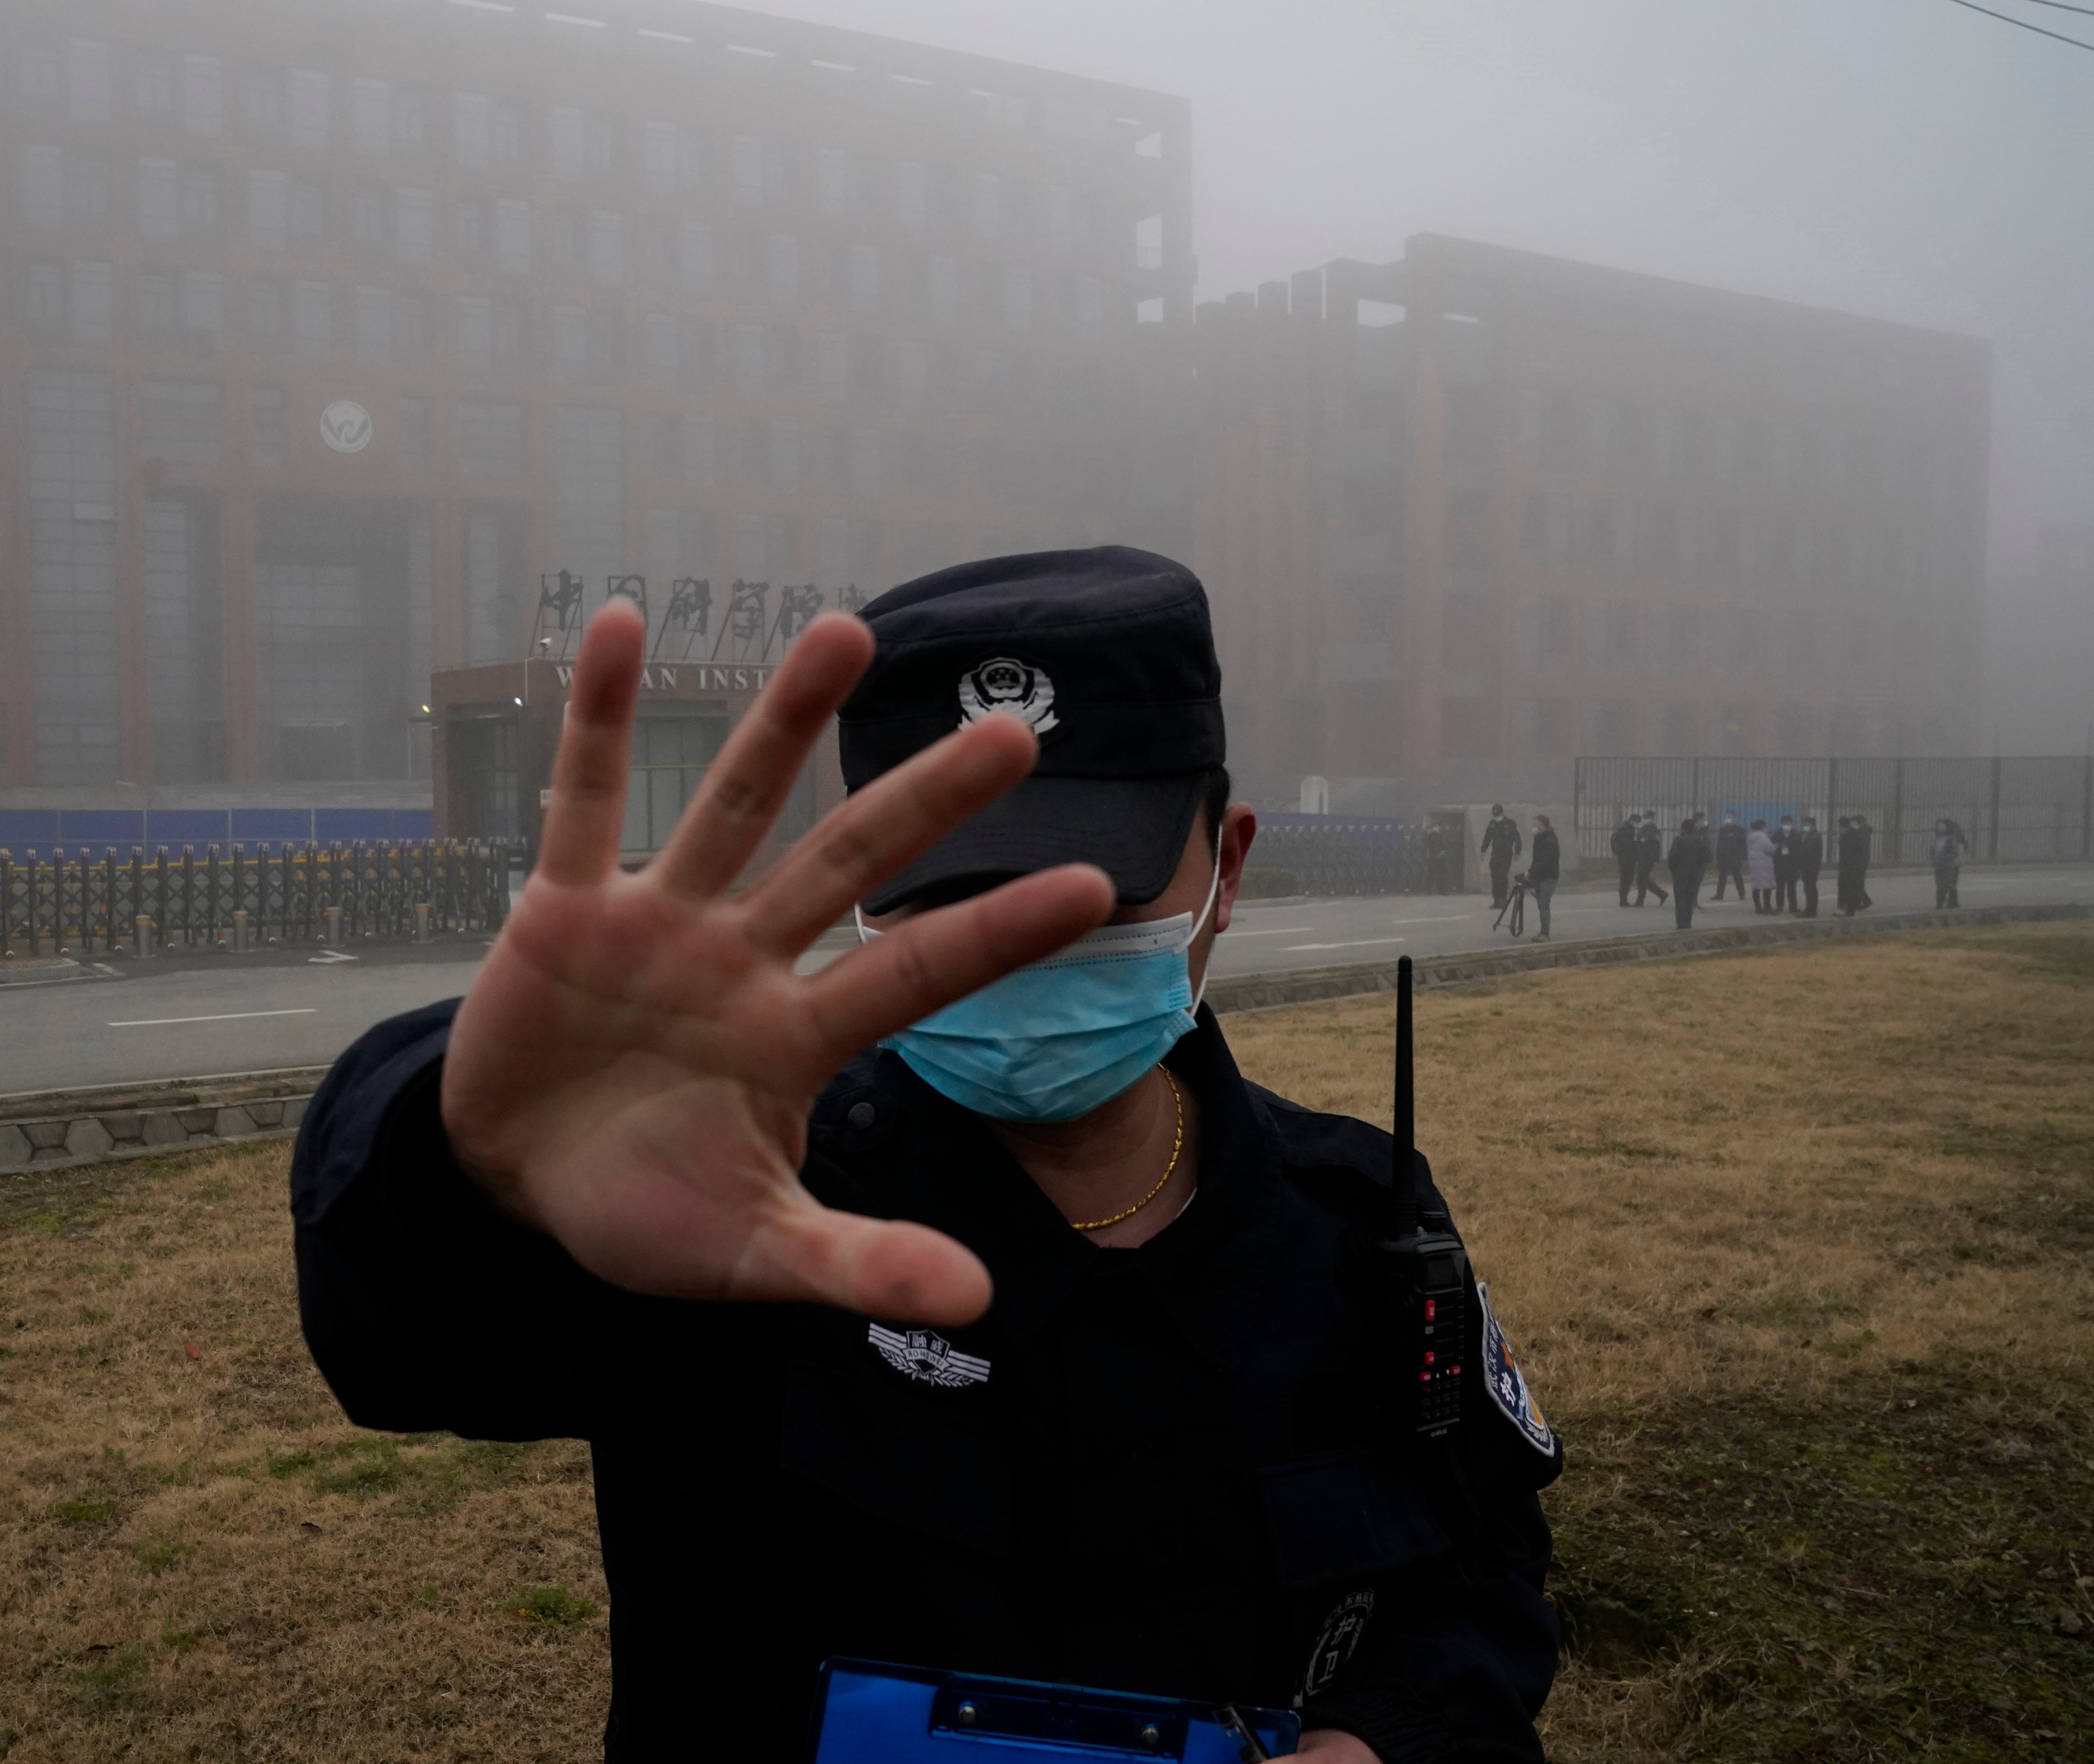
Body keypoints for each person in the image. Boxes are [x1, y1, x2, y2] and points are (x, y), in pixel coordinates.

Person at [287, 549, 1563, 1764]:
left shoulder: (1355, 1226)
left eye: (1086, 883)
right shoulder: (736, 1207)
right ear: (865, 894)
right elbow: (398, 1346)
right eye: (948, 887)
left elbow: (1480, 1577)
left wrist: (1384, 1736)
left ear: (1225, 865)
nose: (1010, 946)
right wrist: (477, 1168)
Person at [1666, 815, 1710, 930]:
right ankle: (1688, 923)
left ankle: (1681, 924)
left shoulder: (1678, 840)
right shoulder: (1699, 840)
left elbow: (1673, 858)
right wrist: (1700, 870)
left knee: (1680, 899)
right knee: (1690, 899)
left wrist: (1673, 870)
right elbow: (1706, 857)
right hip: (1695, 874)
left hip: (1680, 874)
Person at [1482, 804, 1523, 909]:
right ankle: (1496, 901)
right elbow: (1487, 839)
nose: (1496, 816)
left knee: (1502, 876)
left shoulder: (1510, 824)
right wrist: (1483, 851)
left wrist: (1517, 853)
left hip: (1506, 854)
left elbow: (1517, 839)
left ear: (1502, 813)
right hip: (1495, 854)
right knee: (1495, 877)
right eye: (1495, 814)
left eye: (1498, 814)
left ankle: (1504, 900)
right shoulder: (1492, 824)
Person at [1528, 811, 1561, 940]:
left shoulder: (1549, 841)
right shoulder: (1540, 838)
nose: (1534, 827)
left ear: (1542, 825)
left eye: (1536, 825)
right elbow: (1537, 860)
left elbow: (1546, 862)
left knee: (1544, 905)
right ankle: (1543, 932)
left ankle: (1545, 933)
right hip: (1540, 877)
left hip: (1548, 877)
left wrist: (1532, 872)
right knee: (1542, 905)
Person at [1837, 815, 1872, 916]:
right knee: (1855, 884)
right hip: (1854, 864)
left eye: (1854, 823)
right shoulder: (1854, 834)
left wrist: (1859, 863)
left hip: (1857, 864)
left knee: (1855, 885)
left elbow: (1859, 851)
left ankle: (1854, 905)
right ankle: (1859, 903)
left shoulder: (1861, 834)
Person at [1932, 817, 1970, 908]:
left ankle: (1945, 903)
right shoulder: (1945, 839)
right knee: (1948, 884)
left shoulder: (1951, 839)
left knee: (1947, 884)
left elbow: (1953, 852)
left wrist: (1943, 859)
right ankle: (1949, 903)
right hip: (1945, 865)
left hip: (1950, 865)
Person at [1791, 815, 1824, 918]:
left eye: (1806, 825)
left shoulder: (1814, 836)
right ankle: (1810, 910)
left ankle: (1811, 911)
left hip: (1811, 867)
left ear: (1812, 825)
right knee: (1809, 888)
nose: (1804, 827)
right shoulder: (1809, 835)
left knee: (1810, 889)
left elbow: (1809, 852)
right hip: (1808, 866)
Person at [1634, 812, 1669, 907]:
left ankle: (1640, 901)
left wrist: (1655, 859)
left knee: (1641, 879)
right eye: (1645, 817)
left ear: (1652, 818)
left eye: (1648, 818)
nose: (1645, 819)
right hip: (1643, 857)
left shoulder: (1652, 830)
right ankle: (1662, 894)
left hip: (1648, 858)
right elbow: (1640, 842)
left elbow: (1654, 846)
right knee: (1643, 879)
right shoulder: (1646, 828)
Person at [1713, 814, 1746, 901]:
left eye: (1731, 817)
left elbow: (1743, 844)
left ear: (1735, 819)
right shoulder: (1723, 830)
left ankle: (1742, 894)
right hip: (1724, 857)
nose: (1729, 819)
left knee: (1737, 876)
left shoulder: (1739, 830)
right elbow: (1719, 844)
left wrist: (1743, 857)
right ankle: (1719, 895)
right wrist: (1718, 857)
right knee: (1722, 876)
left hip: (1735, 857)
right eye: (1727, 817)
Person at [1610, 813, 1641, 907]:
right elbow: (1628, 845)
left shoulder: (1625, 828)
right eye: (1638, 822)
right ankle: (1623, 901)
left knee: (1627, 879)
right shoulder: (1627, 830)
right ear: (1634, 821)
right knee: (1626, 879)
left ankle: (1624, 900)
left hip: (1626, 858)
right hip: (1627, 858)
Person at [1746, 819, 1776, 913]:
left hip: (1754, 864)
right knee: (1767, 885)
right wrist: (1776, 847)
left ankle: (1758, 908)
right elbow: (1770, 849)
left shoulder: (1750, 837)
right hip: (1764, 863)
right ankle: (1767, 907)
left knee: (1756, 886)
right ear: (1763, 827)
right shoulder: (1763, 837)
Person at [1771, 815, 1798, 913]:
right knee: (1780, 887)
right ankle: (1779, 906)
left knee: (1792, 887)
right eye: (1785, 824)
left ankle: (1793, 907)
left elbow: (1799, 849)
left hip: (1792, 865)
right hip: (1780, 865)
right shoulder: (1777, 834)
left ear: (1792, 824)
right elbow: (1772, 847)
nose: (1787, 826)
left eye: (1789, 824)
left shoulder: (1796, 834)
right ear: (1781, 825)